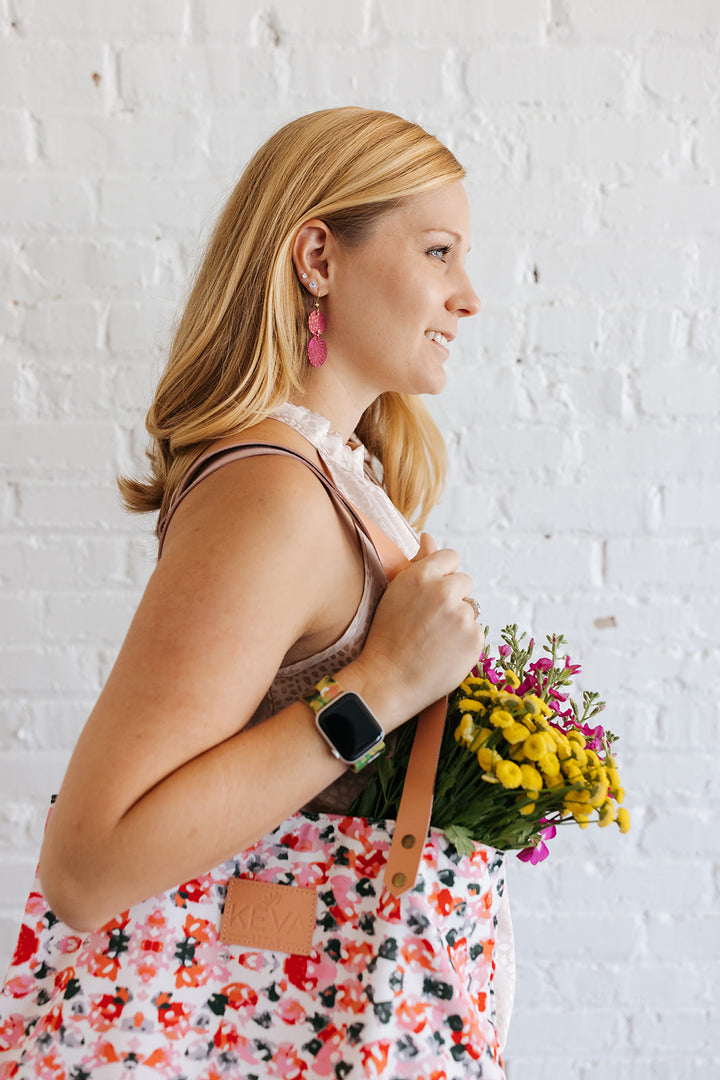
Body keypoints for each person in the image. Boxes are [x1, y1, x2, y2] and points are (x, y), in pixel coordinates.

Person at [0, 107, 512, 1078]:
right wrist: (387, 687)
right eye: (439, 252)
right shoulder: (272, 491)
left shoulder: (340, 474)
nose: (469, 296)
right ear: (318, 256)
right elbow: (87, 868)